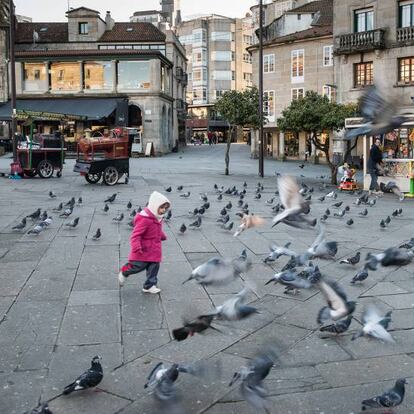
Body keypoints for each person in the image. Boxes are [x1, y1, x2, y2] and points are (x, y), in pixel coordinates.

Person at [118, 191, 171, 294]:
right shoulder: (145, 219)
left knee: (154, 267)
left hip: (154, 249)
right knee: (137, 266)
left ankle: (149, 286)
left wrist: (162, 236)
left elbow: (156, 230)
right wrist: (136, 247)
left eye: (165, 208)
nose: (163, 210)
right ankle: (124, 271)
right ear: (154, 206)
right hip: (143, 249)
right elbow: (136, 235)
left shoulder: (158, 217)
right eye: (162, 207)